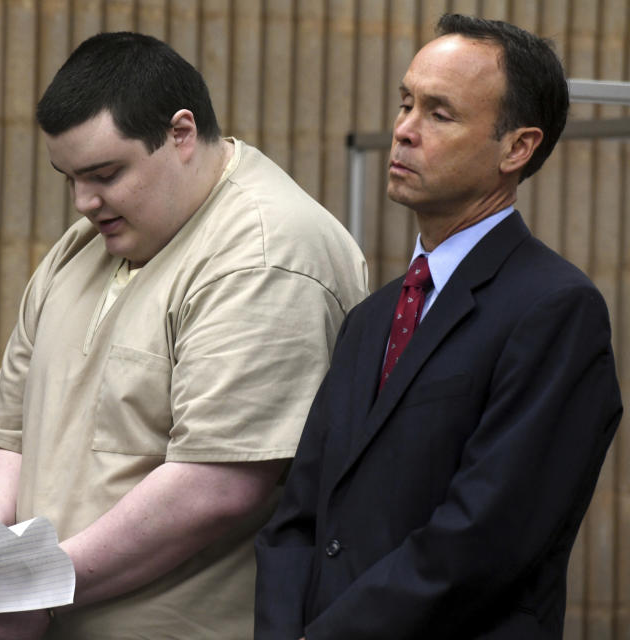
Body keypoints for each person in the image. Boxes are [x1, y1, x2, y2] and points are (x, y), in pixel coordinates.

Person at [0, 31, 369, 639]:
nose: (82, 201)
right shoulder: (84, 246)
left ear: (181, 134)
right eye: (68, 176)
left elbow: (219, 486)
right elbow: (14, 437)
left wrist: (36, 584)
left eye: (104, 173)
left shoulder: (267, 251)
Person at [254, 13, 623, 639]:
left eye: (439, 114)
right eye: (405, 104)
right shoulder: (374, 317)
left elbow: (485, 536)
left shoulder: (555, 308)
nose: (403, 131)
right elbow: (299, 517)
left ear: (518, 147)